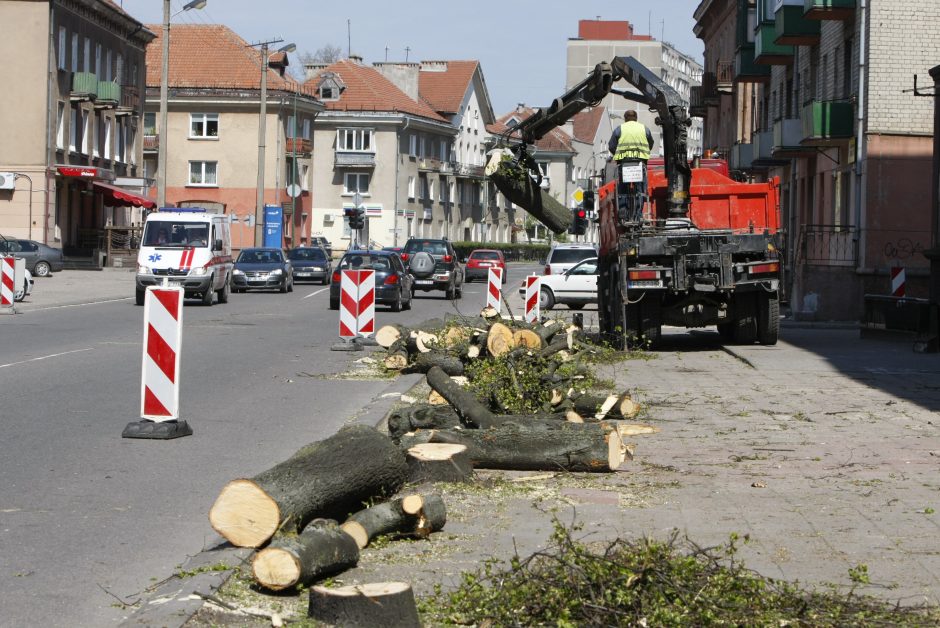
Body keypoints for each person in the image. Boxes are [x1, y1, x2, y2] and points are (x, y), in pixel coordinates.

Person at [608, 110, 655, 222]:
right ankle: (638, 215)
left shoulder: (620, 129)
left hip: (624, 163)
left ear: (625, 118)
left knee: (623, 188)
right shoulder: (644, 129)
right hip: (639, 162)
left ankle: (623, 212)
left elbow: (611, 145)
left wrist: (618, 155)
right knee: (640, 189)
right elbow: (650, 143)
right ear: (636, 118)